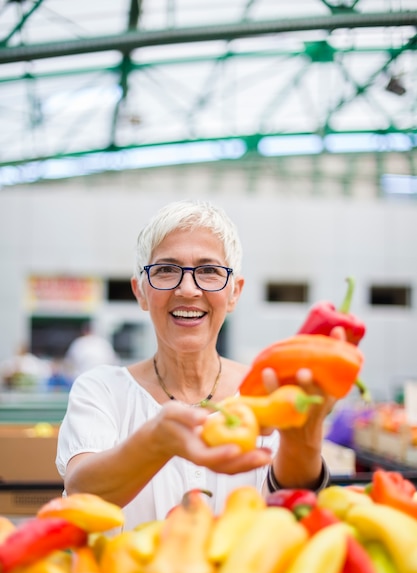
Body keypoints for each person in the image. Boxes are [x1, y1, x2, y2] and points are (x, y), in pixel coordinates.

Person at [56, 199, 337, 530]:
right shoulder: (102, 390)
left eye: (208, 271)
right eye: (165, 270)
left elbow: (283, 517)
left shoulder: (265, 390)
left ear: (234, 293)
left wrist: (304, 439)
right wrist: (157, 441)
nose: (187, 289)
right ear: (141, 292)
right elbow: (82, 494)